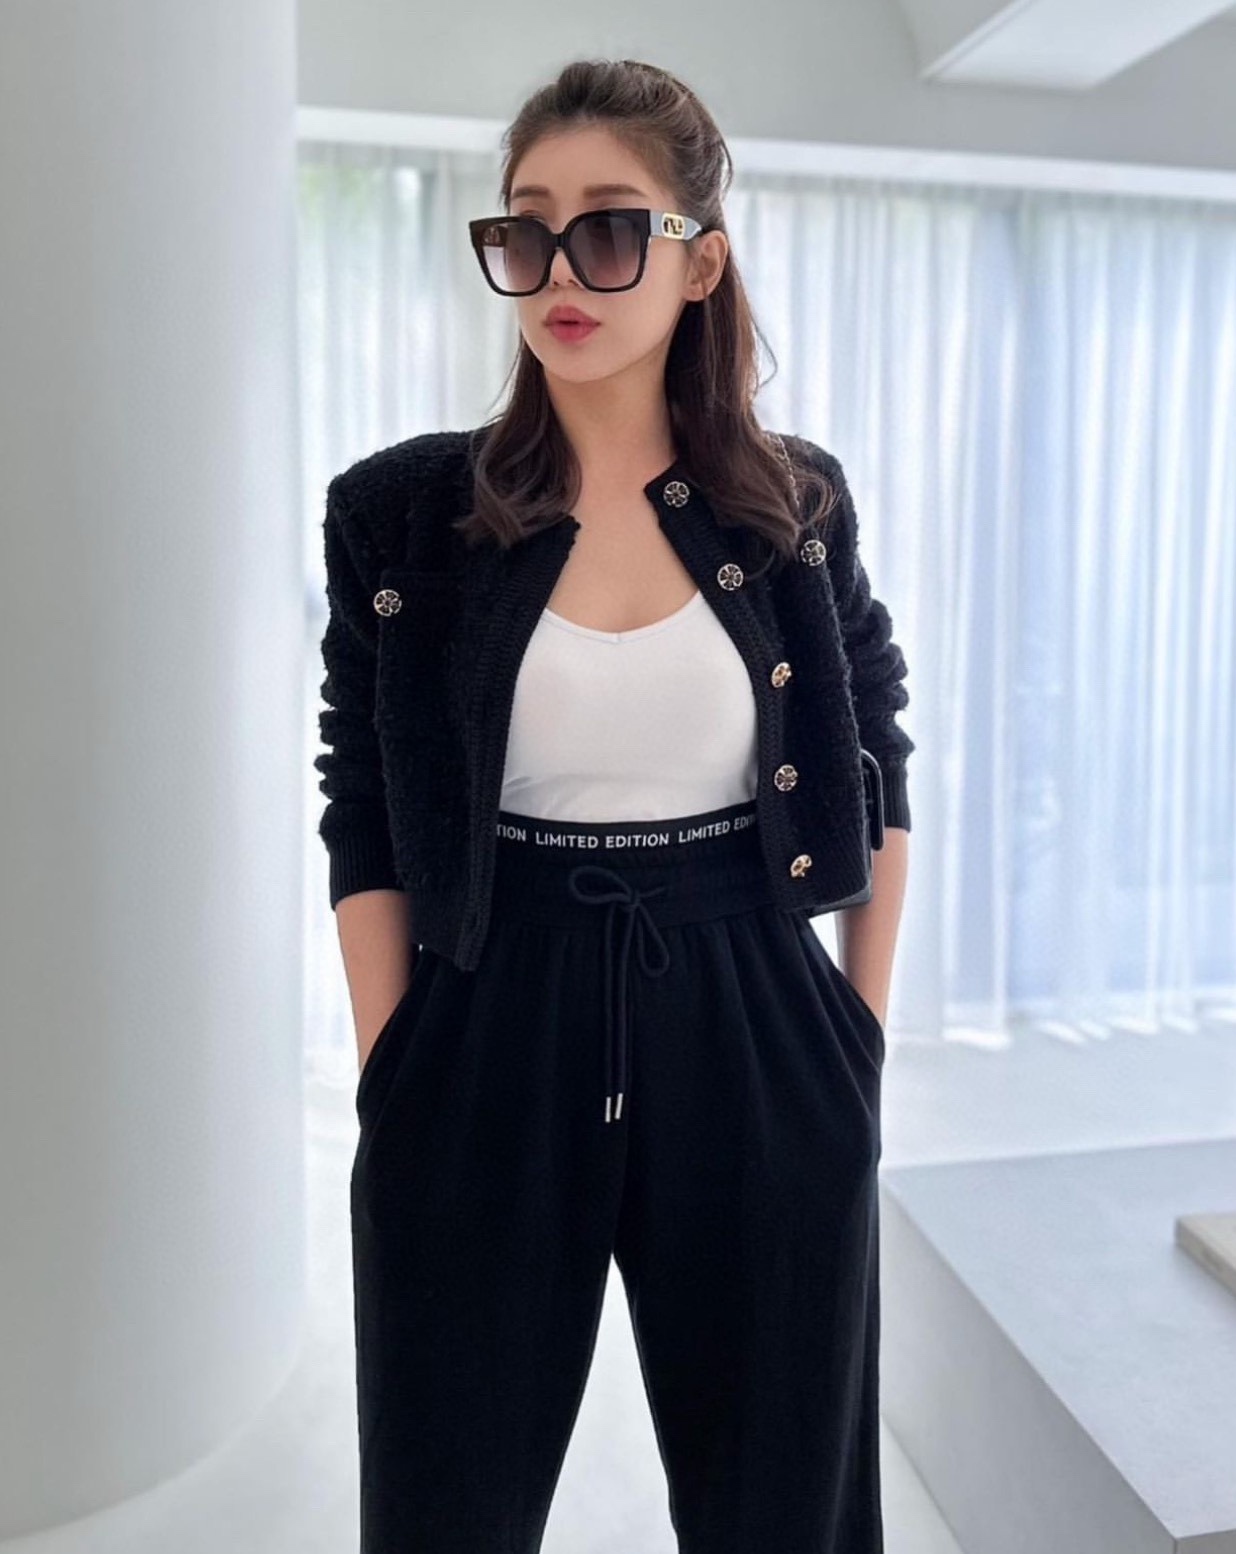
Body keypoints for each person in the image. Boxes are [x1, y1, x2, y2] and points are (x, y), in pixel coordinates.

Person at [316, 56, 914, 1554]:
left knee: (783, 1501)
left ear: (700, 260)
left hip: (751, 995)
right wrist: (399, 1064)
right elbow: (362, 794)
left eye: (608, 227)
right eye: (525, 230)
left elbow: (878, 755)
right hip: (488, 999)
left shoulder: (793, 506)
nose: (560, 271)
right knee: (447, 1496)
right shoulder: (401, 513)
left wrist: (854, 1037)